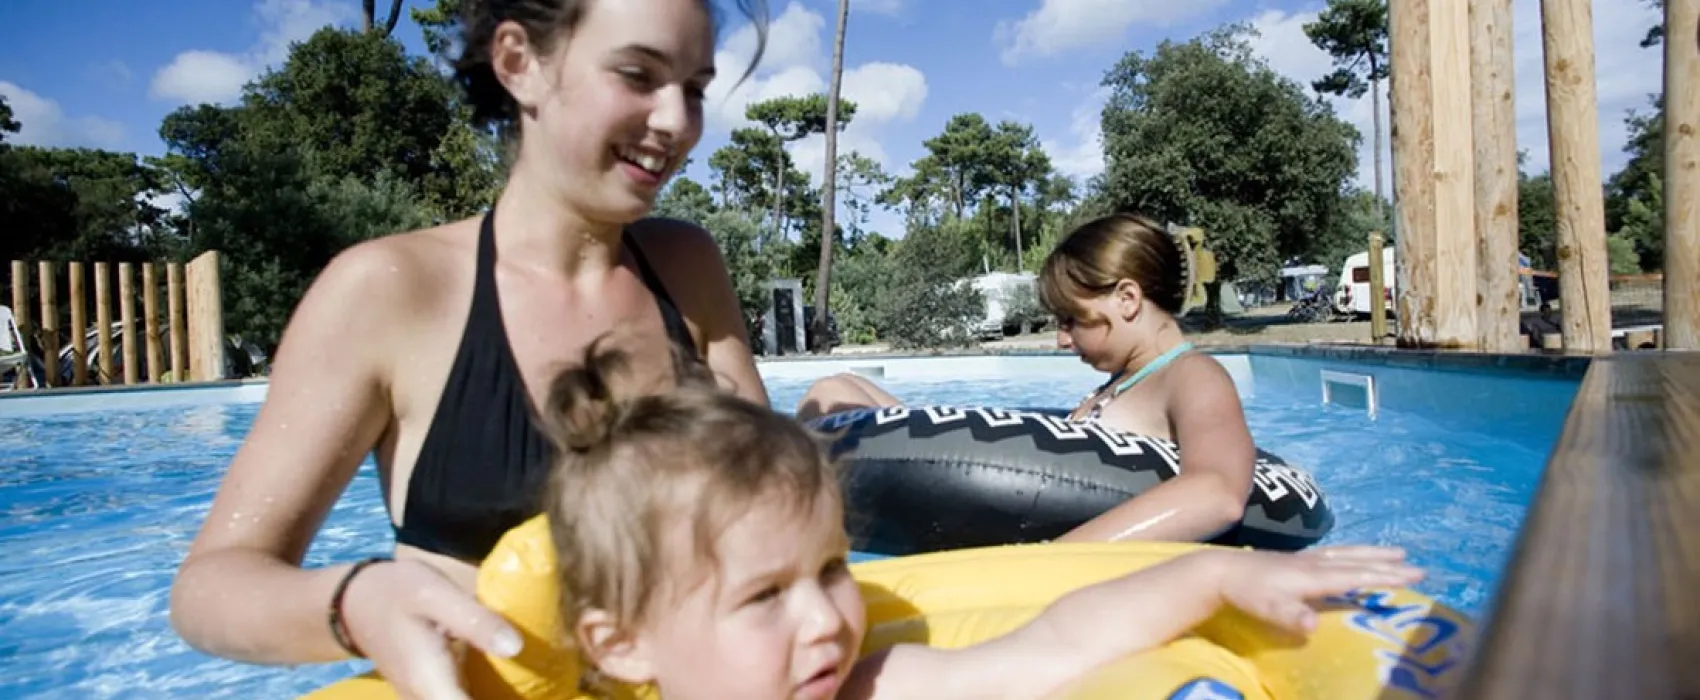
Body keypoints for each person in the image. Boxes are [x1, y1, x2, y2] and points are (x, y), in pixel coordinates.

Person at [168, 1, 770, 698]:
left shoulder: (687, 268)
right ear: (519, 62)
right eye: (638, 75)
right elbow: (211, 586)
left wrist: (823, 426)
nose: (677, 121)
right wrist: (354, 602)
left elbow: (771, 507)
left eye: (694, 89)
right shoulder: (390, 291)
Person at [544, 337, 1425, 700]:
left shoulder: (871, 689)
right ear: (622, 644)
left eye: (832, 569)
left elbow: (1058, 642)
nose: (827, 619)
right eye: (764, 595)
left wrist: (1220, 572)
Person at [793, 212, 1257, 546]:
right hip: (1005, 504)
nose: (1061, 339)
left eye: (1072, 319)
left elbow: (1218, 493)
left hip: (1056, 549)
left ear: (1127, 299)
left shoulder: (1193, 375)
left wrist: (1053, 562)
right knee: (834, 390)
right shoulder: (1121, 383)